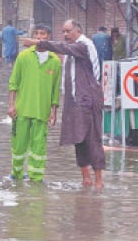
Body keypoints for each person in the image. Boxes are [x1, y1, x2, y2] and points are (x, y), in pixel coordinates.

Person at [23, 19, 106, 189]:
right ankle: (86, 180)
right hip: (75, 101)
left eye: (68, 31)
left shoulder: (83, 45)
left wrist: (38, 43)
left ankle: (98, 182)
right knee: (78, 139)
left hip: (88, 101)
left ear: (78, 30)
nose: (65, 35)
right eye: (63, 32)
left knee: (92, 140)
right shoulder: (72, 49)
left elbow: (63, 47)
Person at [8, 23, 62, 182]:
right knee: (18, 146)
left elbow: (55, 90)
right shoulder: (23, 57)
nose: (39, 37)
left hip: (41, 112)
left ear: (49, 37)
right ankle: (16, 175)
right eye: (36, 34)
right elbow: (13, 83)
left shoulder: (55, 61)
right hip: (21, 110)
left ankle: (36, 179)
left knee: (38, 148)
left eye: (43, 34)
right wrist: (11, 105)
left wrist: (53, 111)